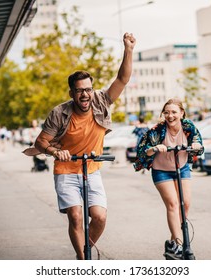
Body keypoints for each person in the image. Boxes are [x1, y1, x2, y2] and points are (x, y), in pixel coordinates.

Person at [28, 32, 136, 260]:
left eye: (88, 89)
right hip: (66, 171)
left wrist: (128, 49)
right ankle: (83, 259)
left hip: (92, 170)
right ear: (72, 93)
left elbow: (122, 79)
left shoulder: (101, 100)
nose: (85, 95)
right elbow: (41, 142)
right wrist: (56, 151)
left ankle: (85, 248)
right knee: (76, 216)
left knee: (99, 217)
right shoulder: (59, 113)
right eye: (80, 91)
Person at [133, 98, 204, 259]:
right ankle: (180, 245)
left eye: (173, 112)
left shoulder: (189, 127)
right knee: (172, 204)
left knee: (185, 204)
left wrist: (196, 147)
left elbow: (198, 144)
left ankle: (172, 243)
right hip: (161, 170)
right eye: (166, 112)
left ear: (181, 113)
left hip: (182, 167)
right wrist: (155, 148)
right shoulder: (157, 130)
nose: (170, 116)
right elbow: (142, 151)